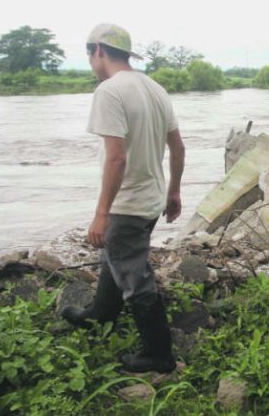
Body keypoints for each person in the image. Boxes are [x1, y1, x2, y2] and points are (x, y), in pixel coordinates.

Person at [59, 23, 185, 374]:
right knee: (115, 256)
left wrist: (101, 214)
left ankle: (159, 355)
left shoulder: (110, 91)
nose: (89, 61)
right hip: (151, 200)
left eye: (88, 54)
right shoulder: (154, 87)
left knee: (134, 276)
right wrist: (173, 190)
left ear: (98, 51)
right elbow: (177, 145)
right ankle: (99, 314)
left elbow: (116, 158)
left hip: (127, 205)